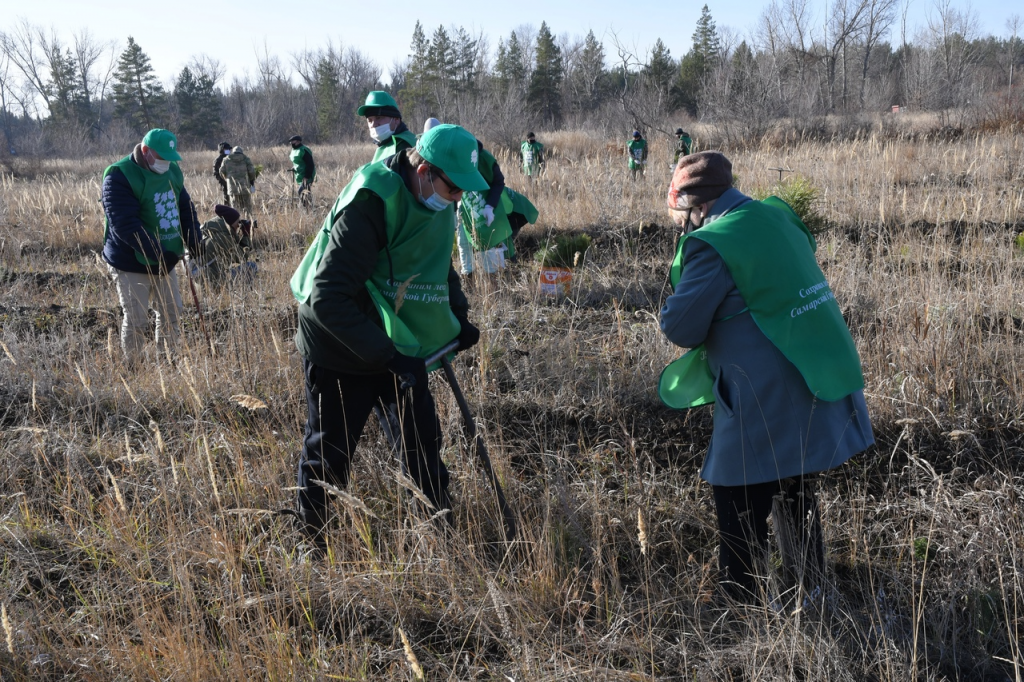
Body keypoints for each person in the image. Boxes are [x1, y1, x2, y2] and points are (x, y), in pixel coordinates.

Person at [658, 151, 874, 604]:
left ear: (694, 208)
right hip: (811, 372)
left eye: (681, 214)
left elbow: (680, 328)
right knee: (795, 485)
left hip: (762, 390)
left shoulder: (714, 242)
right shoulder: (774, 217)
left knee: (735, 489)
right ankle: (809, 588)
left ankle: (741, 602)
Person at [288, 124, 488, 548]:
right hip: (337, 339)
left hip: (395, 338)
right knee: (330, 453)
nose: (457, 199)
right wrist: (388, 356)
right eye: (453, 188)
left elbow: (435, 264)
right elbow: (328, 298)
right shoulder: (372, 199)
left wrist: (458, 315)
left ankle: (442, 535)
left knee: (421, 440)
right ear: (425, 170)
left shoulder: (438, 202)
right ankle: (310, 544)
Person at [101, 128, 202, 363]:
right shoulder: (119, 176)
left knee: (172, 312)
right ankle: (134, 367)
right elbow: (125, 224)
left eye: (170, 158)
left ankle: (167, 362)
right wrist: (157, 253)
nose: (166, 163)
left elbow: (185, 207)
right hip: (131, 260)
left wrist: (193, 237)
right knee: (137, 318)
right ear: (145, 151)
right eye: (162, 158)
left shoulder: (172, 170)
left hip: (166, 258)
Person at [457, 138, 514, 274]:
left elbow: (498, 182)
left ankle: (492, 274)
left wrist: (490, 206)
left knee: (486, 241)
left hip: (485, 204)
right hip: (463, 204)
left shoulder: (484, 159)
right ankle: (468, 274)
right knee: (463, 241)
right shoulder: (454, 157)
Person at [194, 204, 255, 285]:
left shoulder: (210, 230)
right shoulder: (222, 237)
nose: (238, 225)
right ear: (230, 222)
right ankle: (243, 290)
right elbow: (242, 257)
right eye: (237, 222)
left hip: (199, 275)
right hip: (210, 278)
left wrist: (236, 234)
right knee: (251, 266)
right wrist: (246, 234)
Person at [357, 90, 417, 163]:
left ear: (396, 119)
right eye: (370, 120)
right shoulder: (386, 144)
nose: (373, 124)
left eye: (378, 118)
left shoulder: (404, 146)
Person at [218, 145, 257, 220]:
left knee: (234, 209)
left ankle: (235, 226)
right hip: (245, 188)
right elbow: (252, 172)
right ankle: (248, 224)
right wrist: (250, 180)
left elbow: (221, 171)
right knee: (247, 209)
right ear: (241, 152)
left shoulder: (226, 159)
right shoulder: (246, 159)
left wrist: (227, 179)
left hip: (232, 189)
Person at [289, 135, 316, 208]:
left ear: (298, 141)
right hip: (299, 174)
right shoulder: (294, 150)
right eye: (290, 142)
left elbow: (310, 164)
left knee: (301, 191)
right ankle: (309, 208)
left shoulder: (304, 150)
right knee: (306, 192)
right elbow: (297, 162)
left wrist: (307, 176)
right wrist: (294, 168)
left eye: (293, 141)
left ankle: (307, 208)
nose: (291, 143)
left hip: (307, 175)